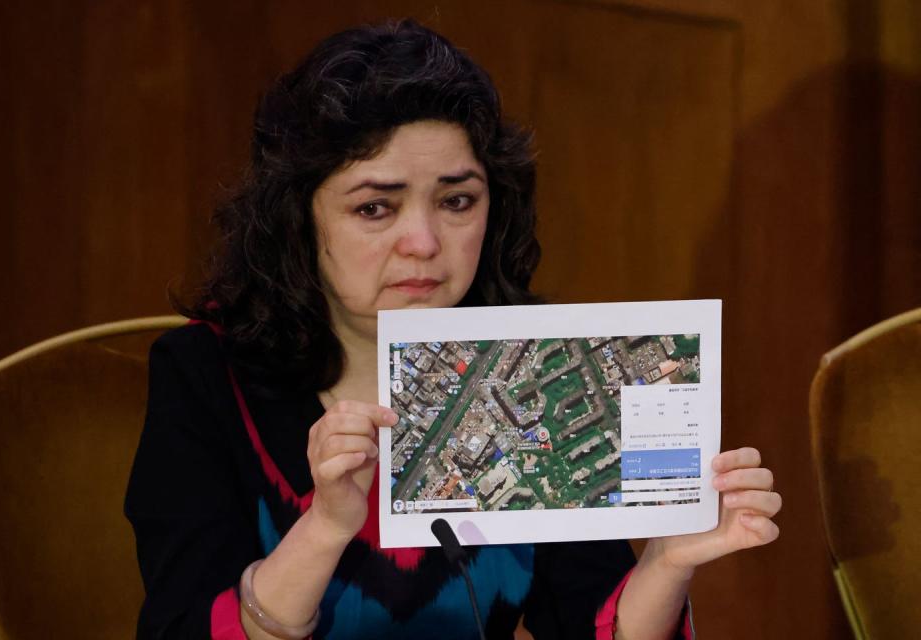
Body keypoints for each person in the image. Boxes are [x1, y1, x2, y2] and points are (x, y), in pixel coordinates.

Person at [124, 18, 782, 640]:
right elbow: (180, 626)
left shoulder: (532, 365)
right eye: (376, 207)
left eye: (457, 201)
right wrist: (325, 528)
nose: (424, 242)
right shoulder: (205, 373)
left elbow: (591, 622)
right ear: (300, 218)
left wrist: (668, 561)